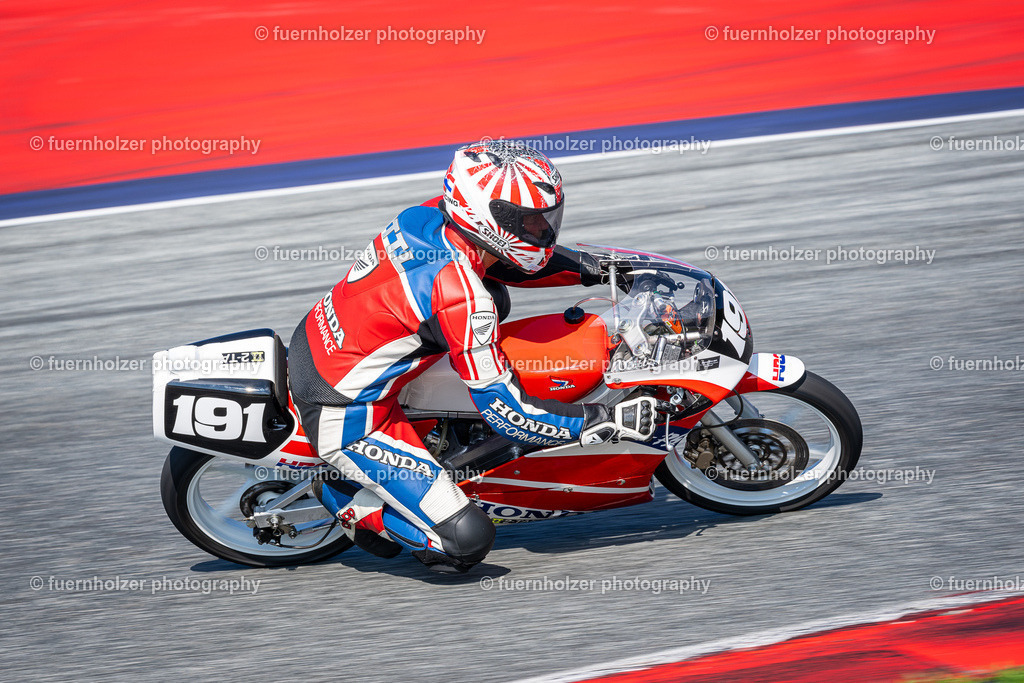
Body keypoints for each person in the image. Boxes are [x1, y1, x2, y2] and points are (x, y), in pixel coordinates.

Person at [288, 140, 655, 573]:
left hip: (329, 343)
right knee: (465, 541)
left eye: (546, 218)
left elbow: (507, 260)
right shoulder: (460, 297)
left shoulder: (428, 215)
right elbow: (511, 416)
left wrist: (593, 267)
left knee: (494, 298)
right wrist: (603, 420)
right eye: (529, 220)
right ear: (487, 215)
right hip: (349, 411)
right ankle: (344, 499)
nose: (543, 230)